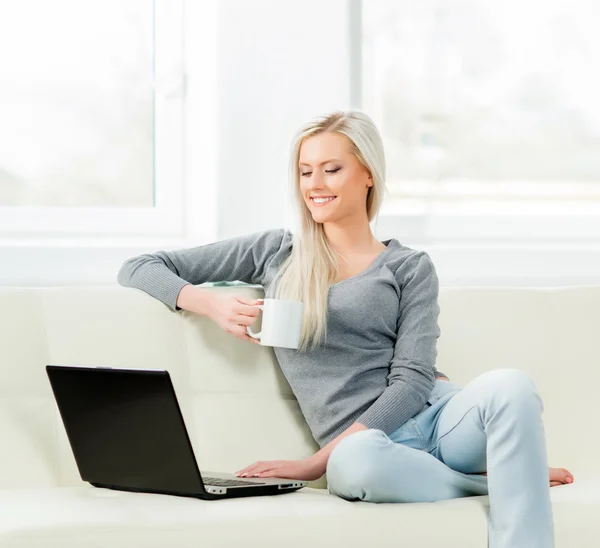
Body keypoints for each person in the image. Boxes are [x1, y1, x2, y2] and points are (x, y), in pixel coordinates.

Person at [118, 110, 573, 548]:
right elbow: (139, 267)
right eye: (305, 171)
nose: (315, 184)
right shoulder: (276, 253)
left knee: (512, 387)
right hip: (367, 449)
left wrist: (316, 462)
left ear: (367, 174)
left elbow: (413, 378)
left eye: (331, 169)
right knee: (356, 467)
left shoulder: (408, 266)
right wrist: (207, 302)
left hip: (439, 422)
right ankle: (496, 479)